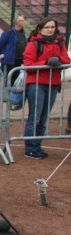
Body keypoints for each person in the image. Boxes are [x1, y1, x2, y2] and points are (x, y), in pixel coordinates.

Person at [21, 18, 69, 159]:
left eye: (52, 27)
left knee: (43, 118)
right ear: (40, 29)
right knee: (34, 117)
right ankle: (30, 148)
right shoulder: (33, 43)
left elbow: (67, 59)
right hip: (36, 83)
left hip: (53, 84)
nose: (50, 29)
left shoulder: (59, 42)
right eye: (47, 27)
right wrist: (46, 62)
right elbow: (28, 65)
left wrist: (59, 60)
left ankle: (37, 145)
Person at [0, 16, 28, 83]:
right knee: (7, 79)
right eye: (23, 20)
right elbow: (0, 44)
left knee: (15, 79)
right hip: (9, 60)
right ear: (18, 22)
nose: (25, 22)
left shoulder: (23, 33)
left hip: (19, 61)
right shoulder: (8, 32)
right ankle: (5, 93)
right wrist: (4, 53)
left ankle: (12, 93)